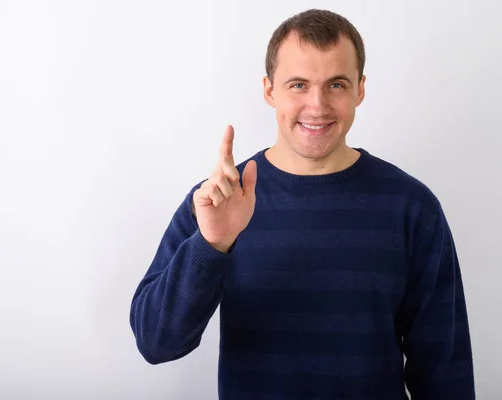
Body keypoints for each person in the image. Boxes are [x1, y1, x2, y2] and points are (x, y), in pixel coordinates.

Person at [129, 8, 475, 399]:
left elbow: (445, 372)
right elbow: (155, 343)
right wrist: (211, 245)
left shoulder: (412, 207)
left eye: (337, 85)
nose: (317, 105)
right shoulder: (218, 201)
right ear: (269, 89)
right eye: (298, 84)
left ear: (360, 89)